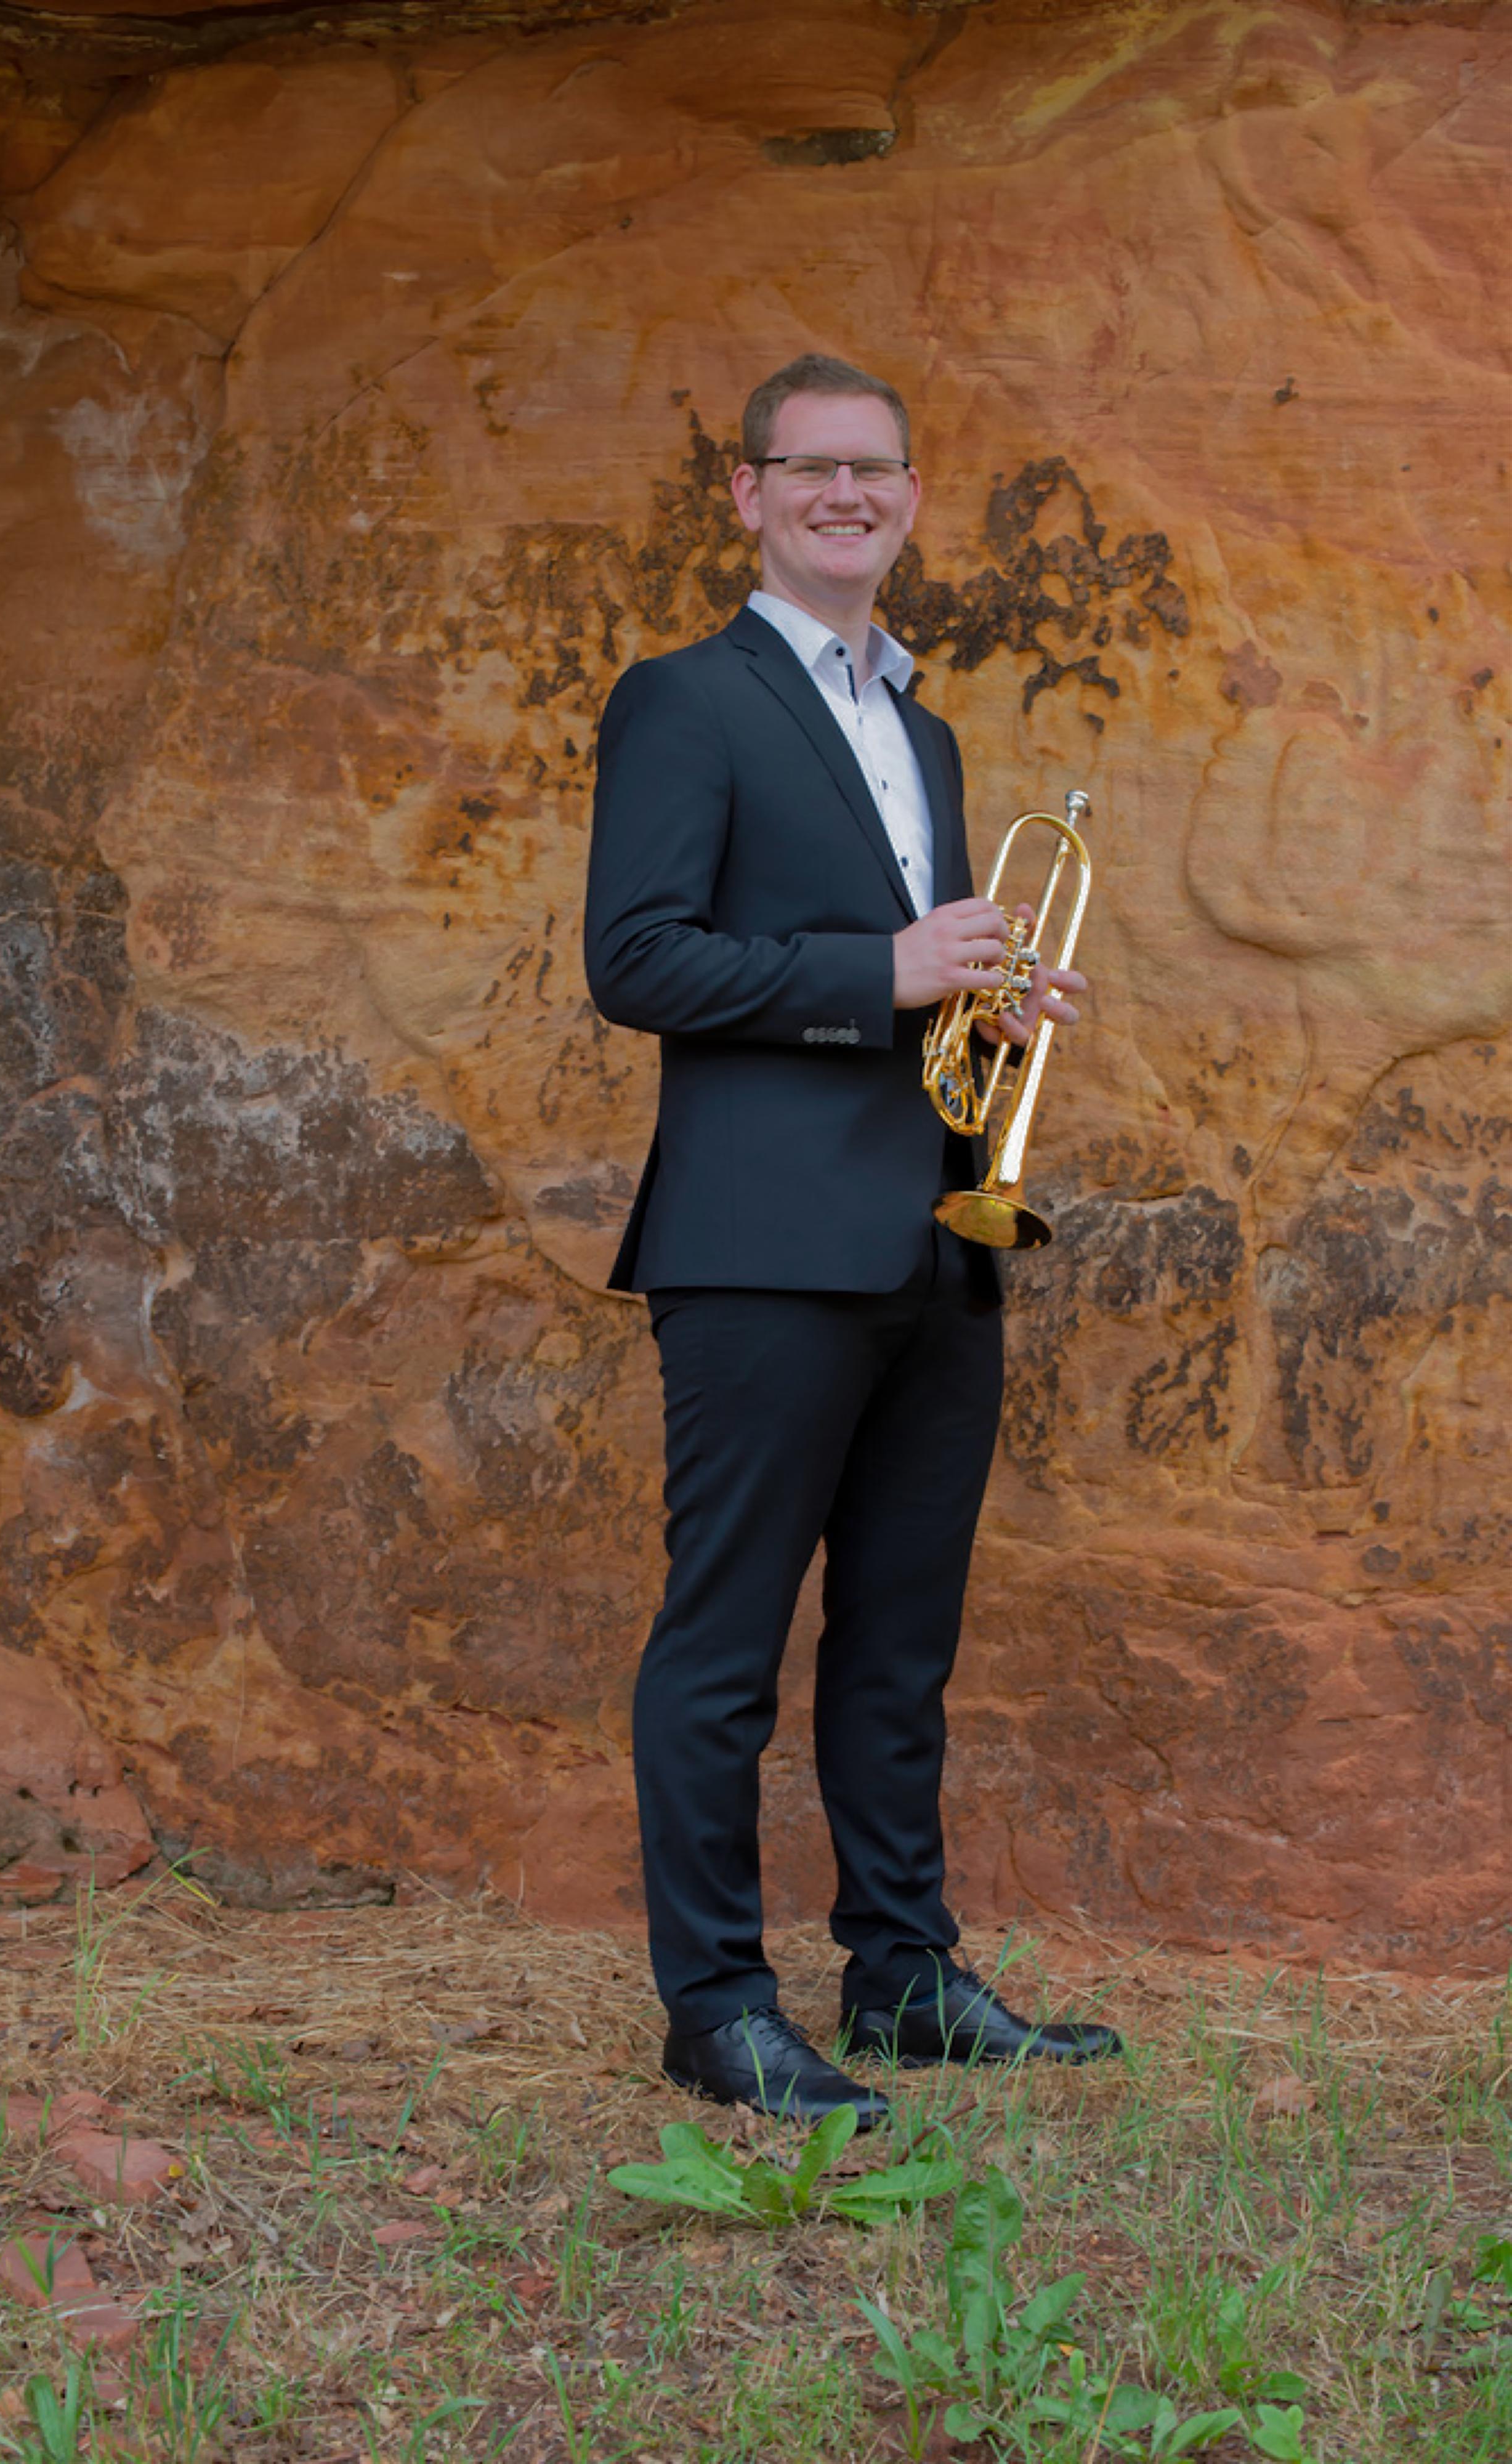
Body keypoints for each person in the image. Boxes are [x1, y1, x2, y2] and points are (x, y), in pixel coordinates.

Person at [584, 354, 1120, 2127]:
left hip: (936, 1236)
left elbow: (901, 980)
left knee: (900, 1648)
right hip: (760, 1245)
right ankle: (718, 2009)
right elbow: (636, 959)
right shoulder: (687, 699)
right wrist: (882, 971)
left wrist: (980, 1003)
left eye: (872, 469)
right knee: (724, 1645)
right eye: (807, 467)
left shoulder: (925, 730)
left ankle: (901, 1975)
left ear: (909, 497)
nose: (844, 494)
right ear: (747, 493)